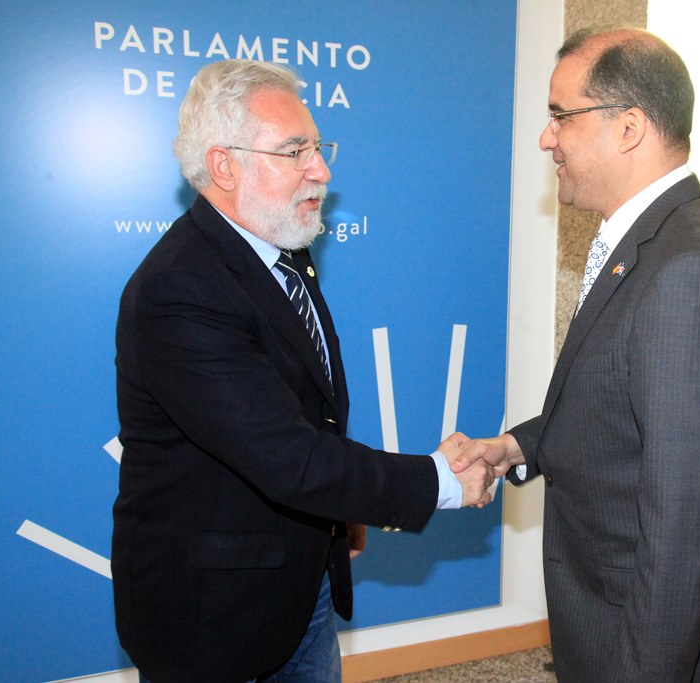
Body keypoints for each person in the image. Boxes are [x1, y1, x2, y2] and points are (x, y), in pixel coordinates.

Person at [111, 59, 494, 683]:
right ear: (224, 164)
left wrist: (343, 511)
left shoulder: (281, 249)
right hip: (214, 615)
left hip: (301, 582)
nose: (321, 170)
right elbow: (284, 455)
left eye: (318, 147)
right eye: (295, 151)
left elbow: (303, 408)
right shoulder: (179, 289)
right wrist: (439, 481)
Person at [452, 28, 700, 682]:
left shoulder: (692, 273)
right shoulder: (647, 242)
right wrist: (516, 447)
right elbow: (614, 401)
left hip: (668, 644)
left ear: (629, 127)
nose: (545, 138)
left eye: (560, 116)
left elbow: (688, 537)